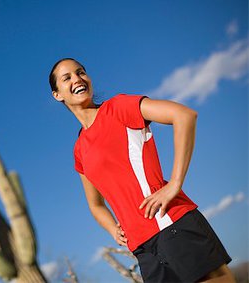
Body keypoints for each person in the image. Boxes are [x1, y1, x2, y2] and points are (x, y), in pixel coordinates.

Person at [49, 58, 235, 283]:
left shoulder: (118, 107)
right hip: (144, 250)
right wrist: (113, 229)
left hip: (173, 224)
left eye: (81, 72)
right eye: (67, 77)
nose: (77, 79)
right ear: (57, 94)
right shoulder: (79, 149)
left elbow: (184, 115)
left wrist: (175, 184)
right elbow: (95, 204)